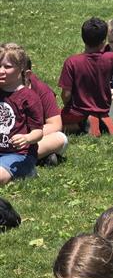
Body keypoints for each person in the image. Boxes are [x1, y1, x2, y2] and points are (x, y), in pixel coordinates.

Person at [0, 42, 43, 186]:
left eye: (7, 67)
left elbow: (38, 132)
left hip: (18, 154)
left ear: (21, 70)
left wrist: (27, 138)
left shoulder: (29, 97)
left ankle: (27, 170)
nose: (1, 70)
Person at [24, 56, 68, 168]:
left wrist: (27, 136)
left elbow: (55, 125)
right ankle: (38, 157)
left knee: (60, 138)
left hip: (31, 138)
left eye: (8, 67)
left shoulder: (40, 89)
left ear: (27, 74)